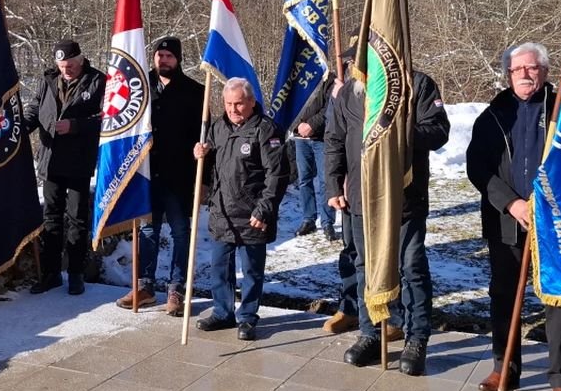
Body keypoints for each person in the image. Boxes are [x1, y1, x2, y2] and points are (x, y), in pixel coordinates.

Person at [466, 41, 561, 391]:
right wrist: (512, 203)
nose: (526, 74)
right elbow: (478, 167)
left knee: (557, 299)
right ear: (509, 74)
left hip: (557, 221)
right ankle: (505, 367)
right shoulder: (493, 115)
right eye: (518, 69)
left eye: (532, 68)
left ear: (545, 72)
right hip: (507, 221)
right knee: (503, 296)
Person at [325, 44, 451, 370]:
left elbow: (439, 131)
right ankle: (371, 332)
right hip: (360, 198)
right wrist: (332, 184)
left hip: (404, 197)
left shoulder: (417, 85)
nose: (358, 67)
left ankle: (416, 337)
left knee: (410, 268)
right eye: (355, 62)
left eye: (364, 60)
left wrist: (399, 130)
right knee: (366, 269)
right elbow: (335, 141)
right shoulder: (347, 95)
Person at [193, 78, 290, 341]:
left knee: (251, 270)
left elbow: (277, 175)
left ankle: (247, 317)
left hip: (252, 213)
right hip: (222, 211)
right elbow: (211, 163)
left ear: (251, 102)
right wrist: (201, 152)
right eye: (228, 104)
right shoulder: (218, 127)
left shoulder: (266, 130)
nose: (233, 109)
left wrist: (265, 209)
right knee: (220, 267)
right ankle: (223, 312)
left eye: (238, 104)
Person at [115, 36, 205, 315]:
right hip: (146, 175)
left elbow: (205, 136)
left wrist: (205, 174)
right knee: (147, 231)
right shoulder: (138, 89)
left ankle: (176, 288)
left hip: (180, 176)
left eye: (169, 56)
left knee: (180, 232)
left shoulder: (195, 91)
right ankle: (145, 286)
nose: (163, 60)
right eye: (159, 55)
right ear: (152, 58)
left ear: (177, 59)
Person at [23, 38, 105, 295]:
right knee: (50, 218)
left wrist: (76, 126)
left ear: (80, 60)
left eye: (70, 65)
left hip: (79, 160)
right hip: (51, 158)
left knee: (78, 219)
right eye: (62, 65)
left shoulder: (97, 81)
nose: (66, 69)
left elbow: (108, 119)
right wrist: (21, 127)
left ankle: (76, 274)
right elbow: (35, 109)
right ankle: (50, 273)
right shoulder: (47, 80)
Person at [291, 72, 337, 241]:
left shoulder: (328, 79)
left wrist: (311, 124)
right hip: (299, 138)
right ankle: (308, 219)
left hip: (321, 138)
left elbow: (330, 107)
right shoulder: (293, 78)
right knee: (304, 179)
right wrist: (297, 126)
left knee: (326, 180)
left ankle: (327, 222)